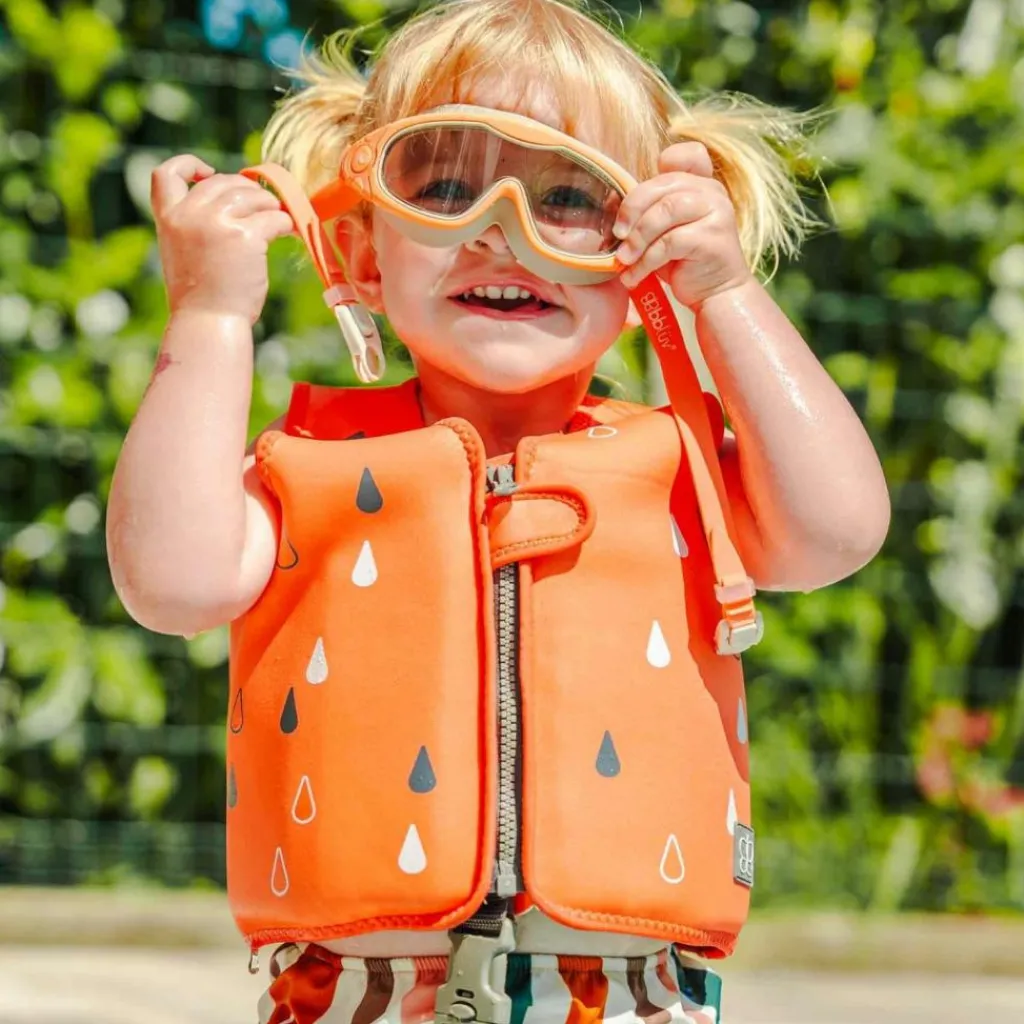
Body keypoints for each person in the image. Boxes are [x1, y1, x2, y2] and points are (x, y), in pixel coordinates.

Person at [106, 1, 890, 1021]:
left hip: (628, 992)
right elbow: (170, 583)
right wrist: (210, 315)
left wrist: (726, 293)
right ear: (361, 255)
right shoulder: (310, 470)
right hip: (354, 989)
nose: (500, 229)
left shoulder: (685, 474)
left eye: (569, 195)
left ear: (638, 252)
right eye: (440, 187)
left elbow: (836, 533)